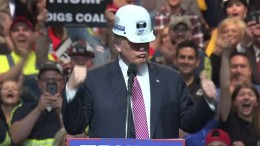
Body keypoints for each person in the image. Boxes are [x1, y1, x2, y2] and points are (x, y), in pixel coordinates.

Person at [62, 5, 216, 139]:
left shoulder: (171, 79)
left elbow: (189, 123)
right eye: (135, 43)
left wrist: (207, 101)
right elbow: (75, 127)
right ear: (117, 45)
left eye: (145, 41)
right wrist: (71, 90)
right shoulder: (95, 80)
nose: (142, 48)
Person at [9, 61, 66, 145]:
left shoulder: (75, 109)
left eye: (55, 80)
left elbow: (80, 141)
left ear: (63, 83)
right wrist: (38, 110)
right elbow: (14, 138)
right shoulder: (22, 109)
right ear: (39, 84)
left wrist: (63, 112)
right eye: (46, 80)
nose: (50, 83)